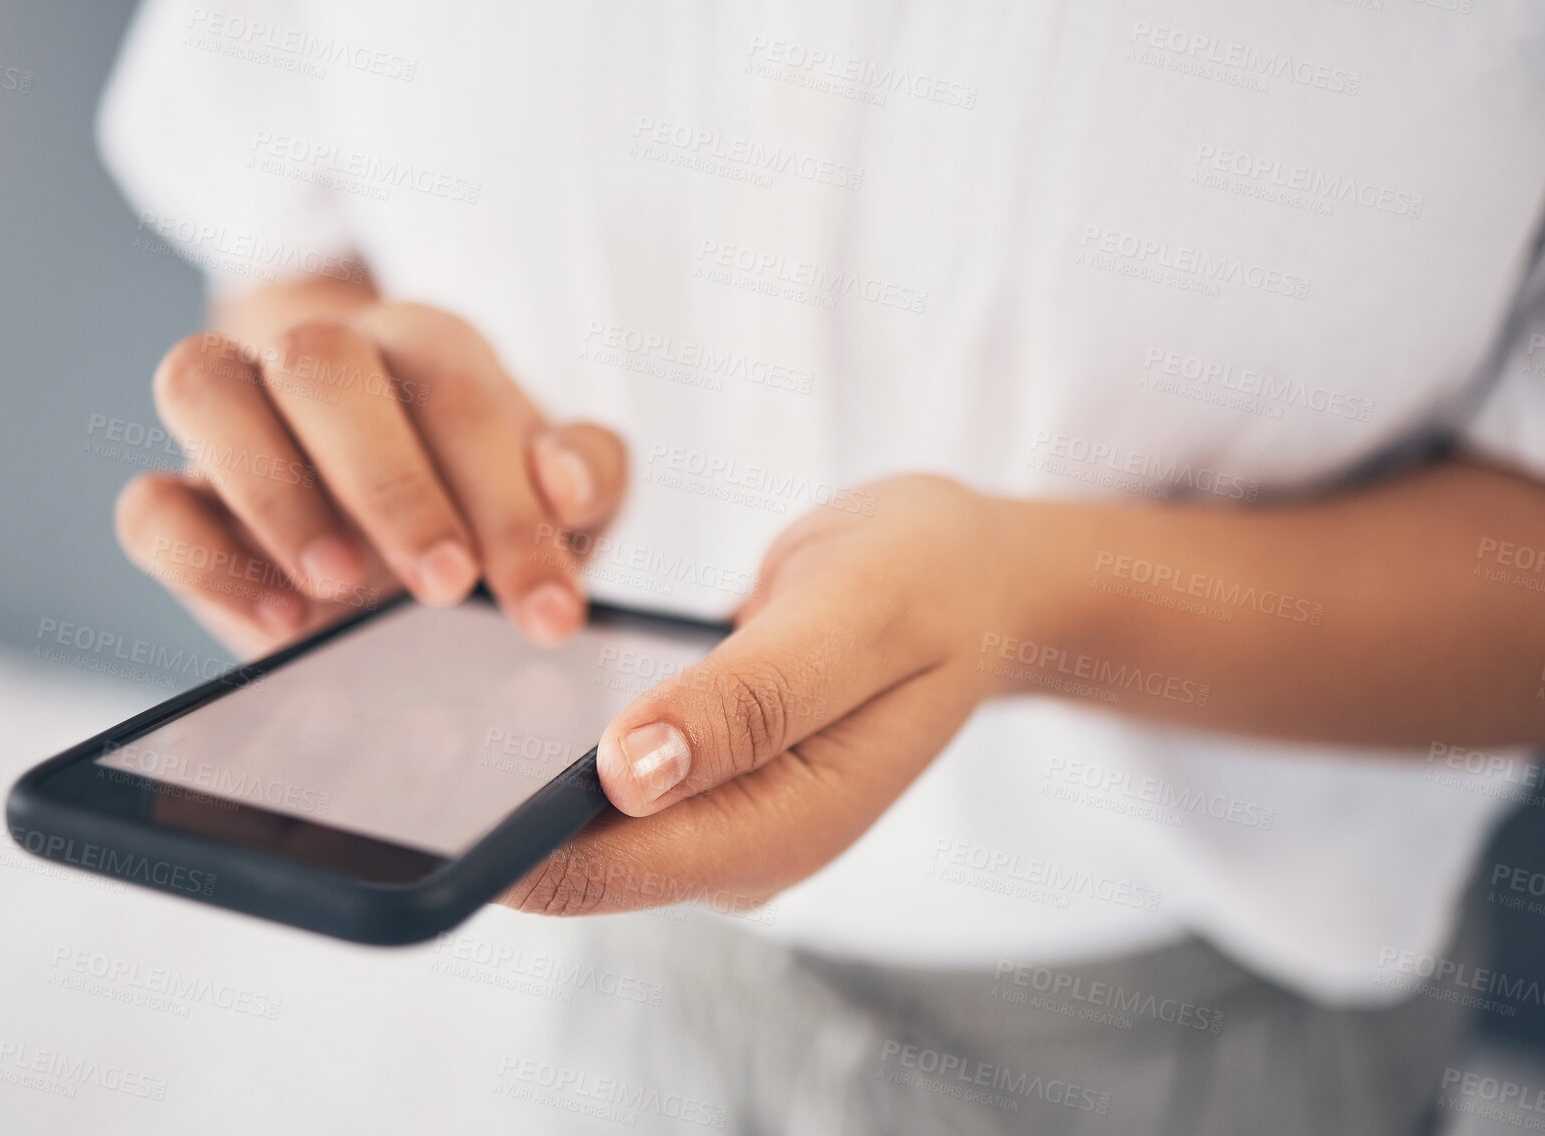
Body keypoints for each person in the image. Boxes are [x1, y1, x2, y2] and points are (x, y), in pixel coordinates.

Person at [98, 1, 1545, 1131]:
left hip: (1201, 1023)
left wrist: (1026, 602)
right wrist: (368, 439)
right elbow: (296, 216)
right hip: (647, 965)